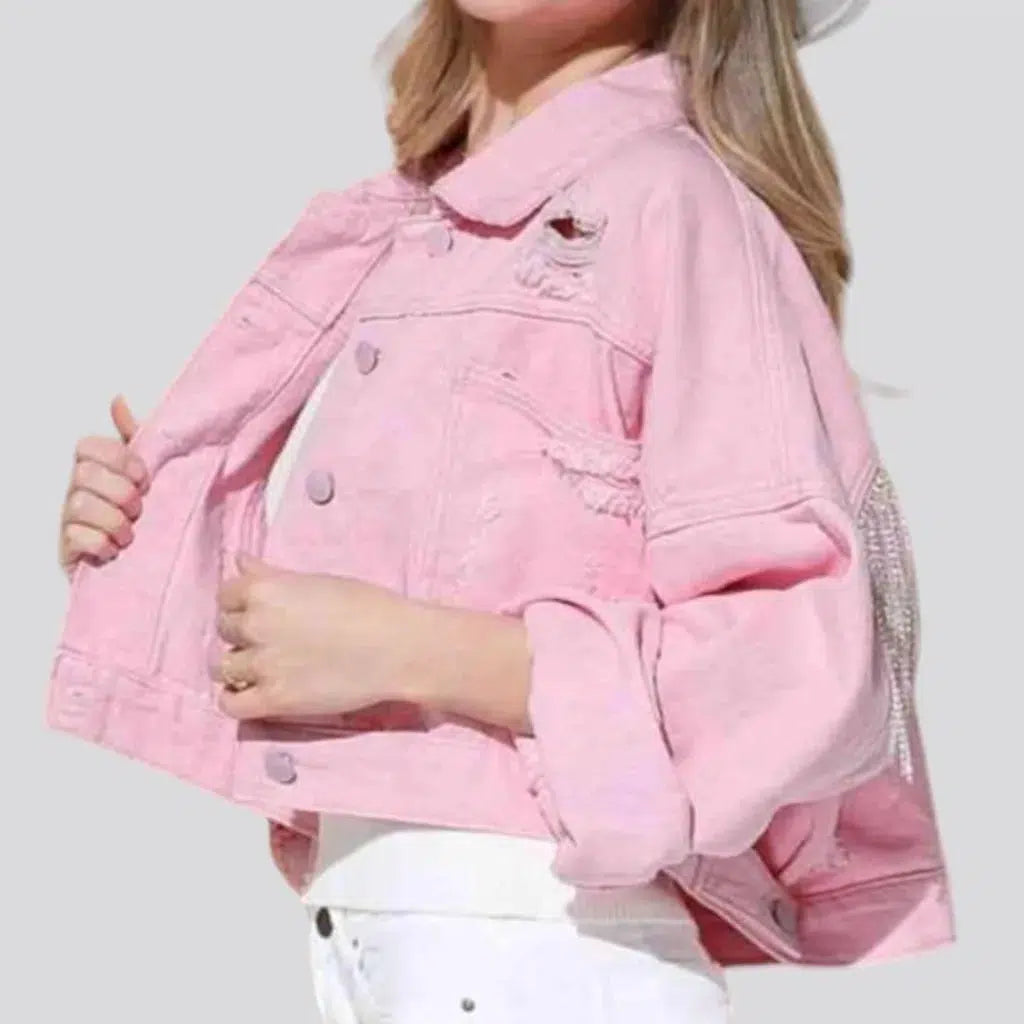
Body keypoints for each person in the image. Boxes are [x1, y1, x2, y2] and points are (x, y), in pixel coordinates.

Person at [48, 1, 954, 1021]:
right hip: (388, 935)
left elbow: (799, 663)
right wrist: (147, 529)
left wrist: (414, 652)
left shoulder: (670, 204)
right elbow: (356, 614)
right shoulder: (403, 234)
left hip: (538, 943)